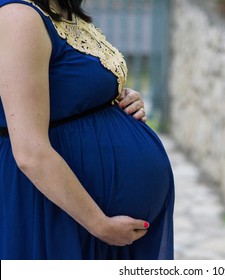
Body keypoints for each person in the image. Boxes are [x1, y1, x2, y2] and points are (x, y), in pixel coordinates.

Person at [0, 0, 174, 259]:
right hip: (60, 211)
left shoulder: (61, 9)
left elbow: (73, 88)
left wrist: (118, 98)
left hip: (96, 219)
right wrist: (100, 224)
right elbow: (30, 151)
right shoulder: (17, 17)